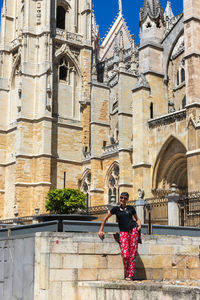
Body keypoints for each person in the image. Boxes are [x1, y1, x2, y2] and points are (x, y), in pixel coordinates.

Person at [98, 192, 141, 281]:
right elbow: (105, 219)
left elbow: (137, 219)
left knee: (132, 254)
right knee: (125, 255)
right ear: (119, 198)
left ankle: (129, 275)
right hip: (123, 233)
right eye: (121, 198)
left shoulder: (131, 208)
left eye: (125, 198)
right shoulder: (116, 209)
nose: (123, 200)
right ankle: (127, 272)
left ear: (127, 199)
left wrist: (139, 226)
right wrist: (101, 230)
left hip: (133, 231)